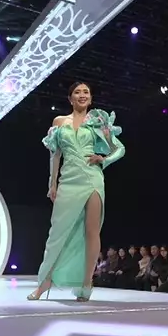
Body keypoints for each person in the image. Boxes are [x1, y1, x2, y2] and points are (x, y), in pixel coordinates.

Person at [28, 81, 125, 302]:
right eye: (77, 92)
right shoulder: (59, 122)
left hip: (92, 179)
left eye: (86, 92)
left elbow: (119, 148)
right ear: (70, 98)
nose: (82, 95)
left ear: (90, 98)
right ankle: (44, 283)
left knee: (91, 232)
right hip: (68, 180)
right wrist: (52, 184)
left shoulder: (98, 121)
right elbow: (55, 155)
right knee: (57, 233)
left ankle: (86, 282)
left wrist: (104, 159)